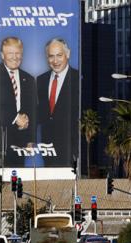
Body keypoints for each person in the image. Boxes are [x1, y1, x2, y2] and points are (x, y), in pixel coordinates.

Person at [0, 37, 36, 166]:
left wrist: (30, 140)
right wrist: (16, 117)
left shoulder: (28, 79)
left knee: (17, 179)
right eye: (10, 53)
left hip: (20, 140)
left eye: (18, 53)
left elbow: (33, 110)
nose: (15, 57)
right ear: (2, 55)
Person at [37, 38, 79, 167]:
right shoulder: (41, 80)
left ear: (68, 54)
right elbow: (40, 111)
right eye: (51, 56)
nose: (55, 61)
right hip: (47, 145)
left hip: (70, 145)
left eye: (59, 55)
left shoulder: (77, 78)